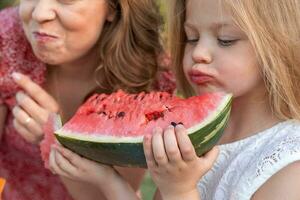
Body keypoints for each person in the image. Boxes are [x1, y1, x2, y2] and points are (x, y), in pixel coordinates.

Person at [50, 0, 300, 199]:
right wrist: (108, 180)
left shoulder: (290, 168)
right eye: (191, 38)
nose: (199, 53)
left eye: (225, 40)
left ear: (279, 43)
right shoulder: (193, 135)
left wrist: (179, 192)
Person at [0, 0, 175, 199]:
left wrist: (53, 140)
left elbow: (106, 194)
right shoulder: (7, 39)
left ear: (112, 7)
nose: (40, 13)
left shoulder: (150, 75)